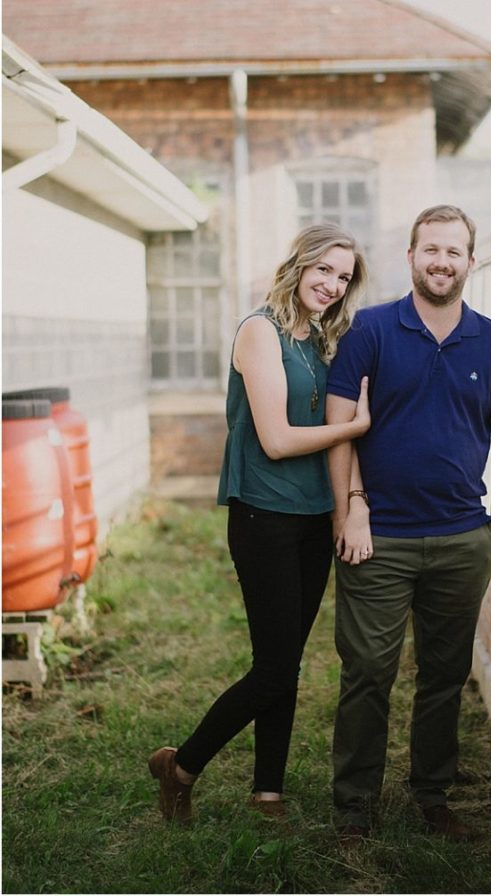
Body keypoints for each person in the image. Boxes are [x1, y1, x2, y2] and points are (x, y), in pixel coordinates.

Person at [149, 224, 370, 824]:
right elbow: (275, 440)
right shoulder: (258, 331)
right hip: (263, 513)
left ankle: (267, 790)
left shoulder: (324, 342)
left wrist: (349, 504)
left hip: (312, 516)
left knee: (287, 660)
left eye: (343, 277)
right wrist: (354, 427)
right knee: (274, 666)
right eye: (323, 269)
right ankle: (181, 766)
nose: (331, 284)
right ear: (298, 264)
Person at [325, 204, 491, 842]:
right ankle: (355, 806)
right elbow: (338, 431)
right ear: (410, 256)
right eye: (430, 249)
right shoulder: (371, 330)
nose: (442, 262)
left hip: (460, 538)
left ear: (471, 261)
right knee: (368, 673)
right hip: (376, 537)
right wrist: (351, 510)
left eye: (454, 252)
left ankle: (432, 797)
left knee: (444, 675)